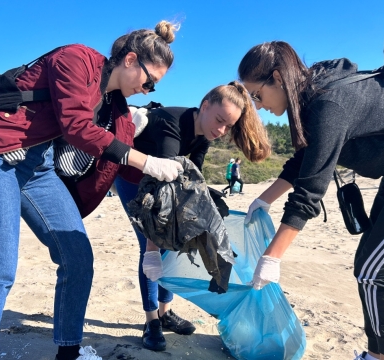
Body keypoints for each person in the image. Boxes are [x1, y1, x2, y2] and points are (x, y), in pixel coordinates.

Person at [0, 21, 183, 360]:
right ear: (131, 60)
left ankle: (69, 352)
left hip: (38, 167)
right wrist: (146, 161)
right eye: (150, 82)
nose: (148, 91)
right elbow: (77, 127)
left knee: (78, 258)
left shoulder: (115, 105)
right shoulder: (76, 58)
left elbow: (114, 157)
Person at [238, 41, 384, 360]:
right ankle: (379, 354)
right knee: (370, 265)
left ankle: (383, 358)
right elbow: (305, 159)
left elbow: (309, 192)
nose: (257, 105)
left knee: (377, 269)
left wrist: (272, 258)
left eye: (256, 95)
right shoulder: (312, 96)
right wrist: (263, 200)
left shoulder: (327, 103)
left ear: (277, 77)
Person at [114, 81, 271, 351]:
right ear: (205, 105)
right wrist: (153, 248)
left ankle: (165, 312)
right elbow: (159, 196)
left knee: (177, 243)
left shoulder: (205, 135)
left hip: (163, 179)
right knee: (152, 249)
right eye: (220, 120)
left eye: (228, 127)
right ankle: (151, 320)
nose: (221, 130)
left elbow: (193, 182)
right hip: (134, 180)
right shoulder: (171, 124)